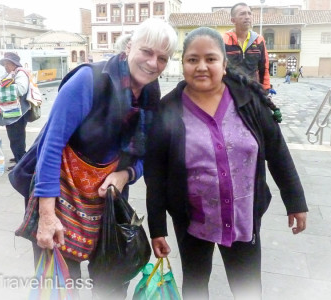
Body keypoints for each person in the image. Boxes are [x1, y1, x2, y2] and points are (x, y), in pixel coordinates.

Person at [144, 27, 308, 300]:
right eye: (192, 59)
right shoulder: (168, 110)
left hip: (243, 218)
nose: (201, 67)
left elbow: (278, 152)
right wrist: (157, 228)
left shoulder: (248, 101)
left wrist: (296, 202)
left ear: (223, 62)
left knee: (248, 289)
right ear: (183, 63)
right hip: (192, 220)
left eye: (210, 59)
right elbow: (156, 174)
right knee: (195, 286)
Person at [30, 18, 177, 299]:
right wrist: (46, 216)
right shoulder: (89, 80)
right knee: (61, 287)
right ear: (130, 46)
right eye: (147, 51)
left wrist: (126, 175)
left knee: (111, 285)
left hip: (107, 202)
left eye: (162, 58)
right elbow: (50, 146)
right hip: (59, 196)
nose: (153, 63)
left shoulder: (150, 93)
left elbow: (148, 155)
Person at [0, 52, 31, 170]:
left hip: (17, 112)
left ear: (14, 64)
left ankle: (20, 162)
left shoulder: (20, 74)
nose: (5, 66)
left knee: (16, 137)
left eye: (7, 64)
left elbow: (21, 90)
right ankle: (19, 155)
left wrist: (2, 88)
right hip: (12, 111)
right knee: (16, 136)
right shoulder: (12, 74)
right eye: (4, 64)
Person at [223, 2, 271, 91]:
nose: (247, 16)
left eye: (249, 13)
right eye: (242, 13)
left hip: (253, 90)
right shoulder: (224, 40)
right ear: (233, 20)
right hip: (230, 91)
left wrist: (266, 89)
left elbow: (264, 67)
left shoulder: (258, 40)